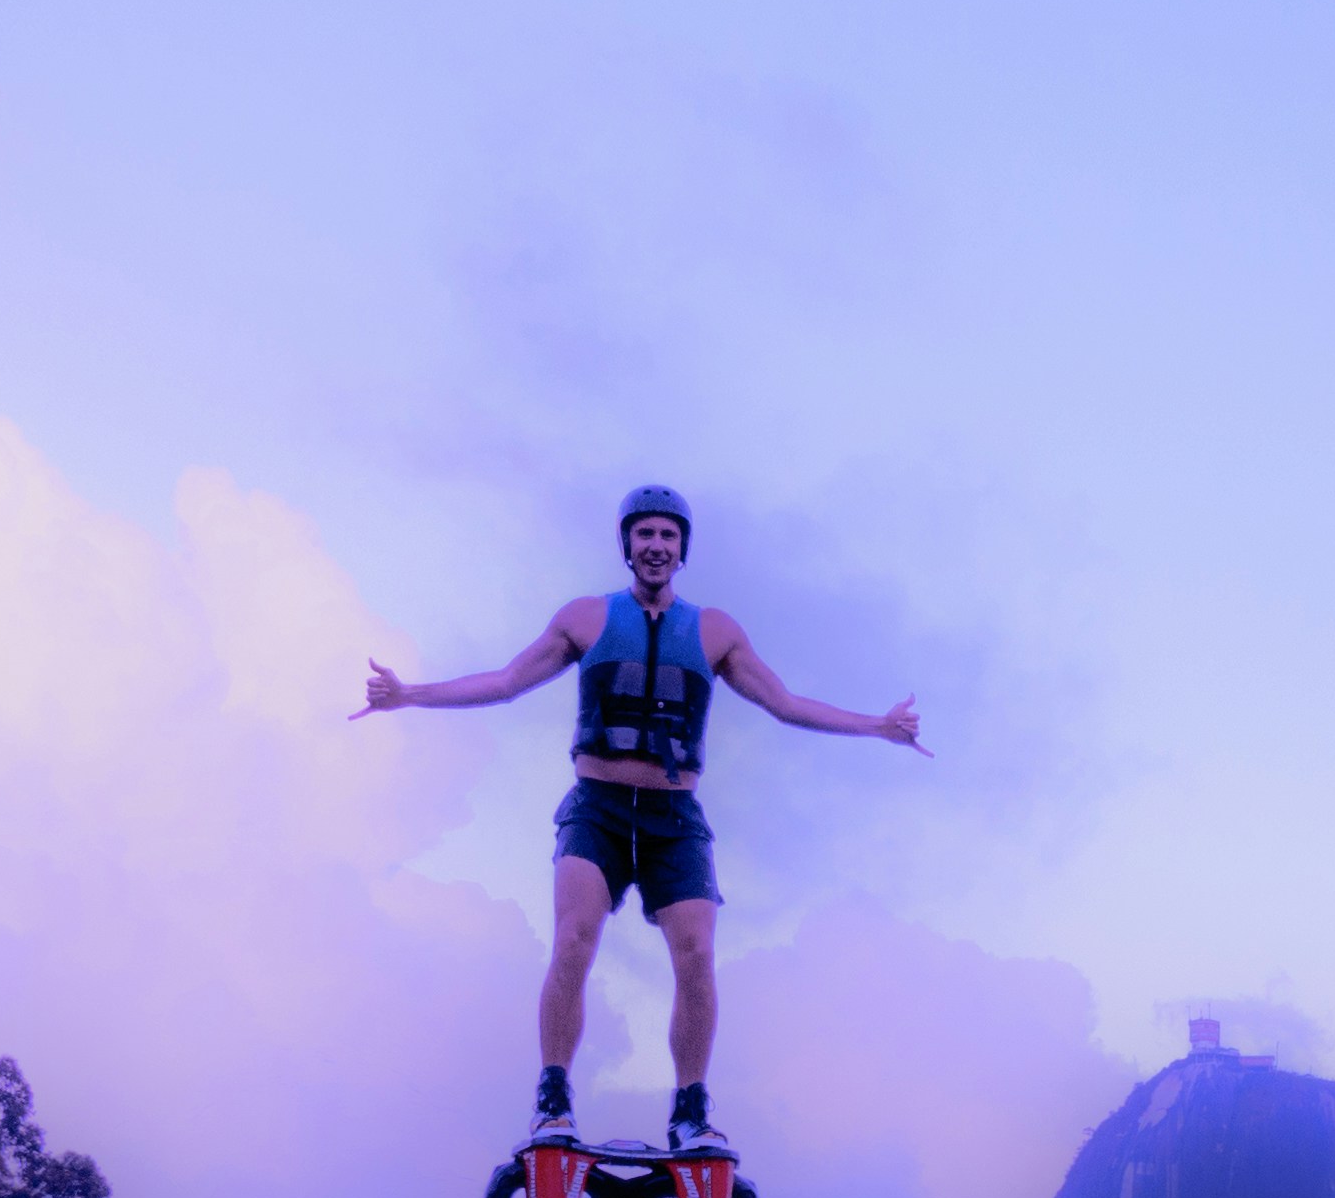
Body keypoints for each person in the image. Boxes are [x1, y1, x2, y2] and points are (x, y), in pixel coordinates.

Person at [353, 483, 924, 1156]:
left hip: (673, 817)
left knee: (697, 953)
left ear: (683, 550)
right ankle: (553, 1098)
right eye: (644, 535)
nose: (656, 546)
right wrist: (407, 695)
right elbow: (506, 682)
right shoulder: (587, 619)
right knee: (574, 939)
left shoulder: (715, 632)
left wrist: (880, 727)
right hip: (596, 809)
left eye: (668, 536)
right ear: (627, 545)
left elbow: (787, 703)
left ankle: (689, 1108)